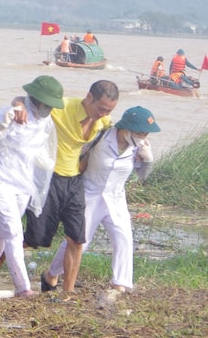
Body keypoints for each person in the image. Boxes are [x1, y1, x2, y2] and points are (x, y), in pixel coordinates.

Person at [0, 76, 62, 298]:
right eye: (46, 105)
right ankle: (23, 287)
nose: (48, 109)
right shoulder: (9, 113)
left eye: (51, 106)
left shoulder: (45, 121)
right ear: (35, 99)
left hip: (22, 182)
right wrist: (3, 123)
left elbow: (41, 151)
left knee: (4, 228)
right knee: (14, 231)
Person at [46, 106, 158, 293]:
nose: (143, 137)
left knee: (123, 239)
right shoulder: (100, 137)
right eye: (139, 133)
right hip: (89, 194)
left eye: (146, 134)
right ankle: (52, 274)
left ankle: (120, 284)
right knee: (79, 242)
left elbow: (142, 176)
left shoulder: (139, 147)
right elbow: (77, 156)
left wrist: (148, 160)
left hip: (116, 197)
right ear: (126, 128)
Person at [31, 79, 119, 294]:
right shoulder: (62, 107)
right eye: (101, 108)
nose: (103, 114)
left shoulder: (105, 121)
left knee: (77, 239)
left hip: (74, 181)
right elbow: (32, 102)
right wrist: (17, 105)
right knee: (33, 238)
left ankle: (67, 293)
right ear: (89, 97)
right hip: (51, 177)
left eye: (109, 111)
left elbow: (109, 136)